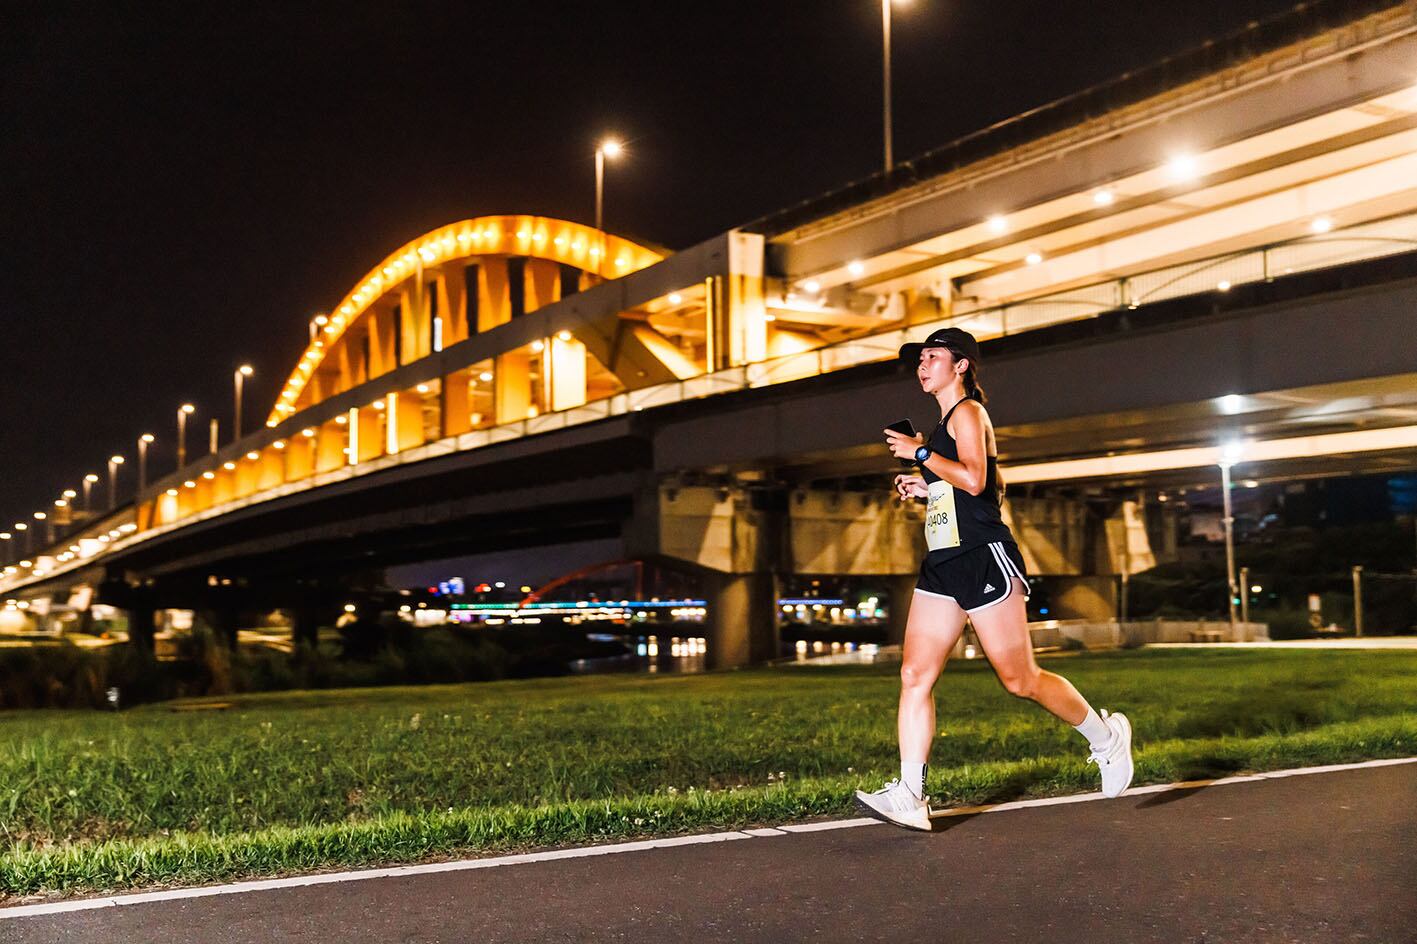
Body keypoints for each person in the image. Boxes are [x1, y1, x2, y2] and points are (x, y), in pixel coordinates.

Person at [854, 327, 1133, 831]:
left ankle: (1106, 738)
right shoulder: (944, 425)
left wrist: (921, 454)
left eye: (933, 357)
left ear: (960, 365)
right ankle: (910, 795)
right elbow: (985, 486)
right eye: (920, 359)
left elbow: (977, 479)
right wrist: (927, 487)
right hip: (943, 562)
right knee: (915, 675)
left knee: (1020, 680)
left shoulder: (969, 413)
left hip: (983, 558)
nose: (923, 365)